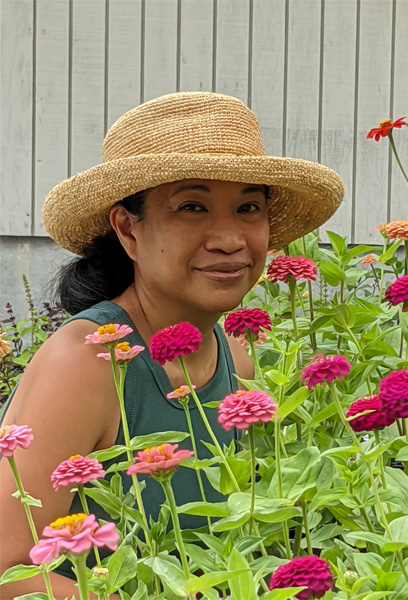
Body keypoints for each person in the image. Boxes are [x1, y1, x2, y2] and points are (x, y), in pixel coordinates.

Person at [0, 91, 344, 599]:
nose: (228, 237)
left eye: (248, 207)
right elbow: (9, 569)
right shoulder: (87, 362)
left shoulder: (238, 357)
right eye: (192, 207)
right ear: (128, 230)